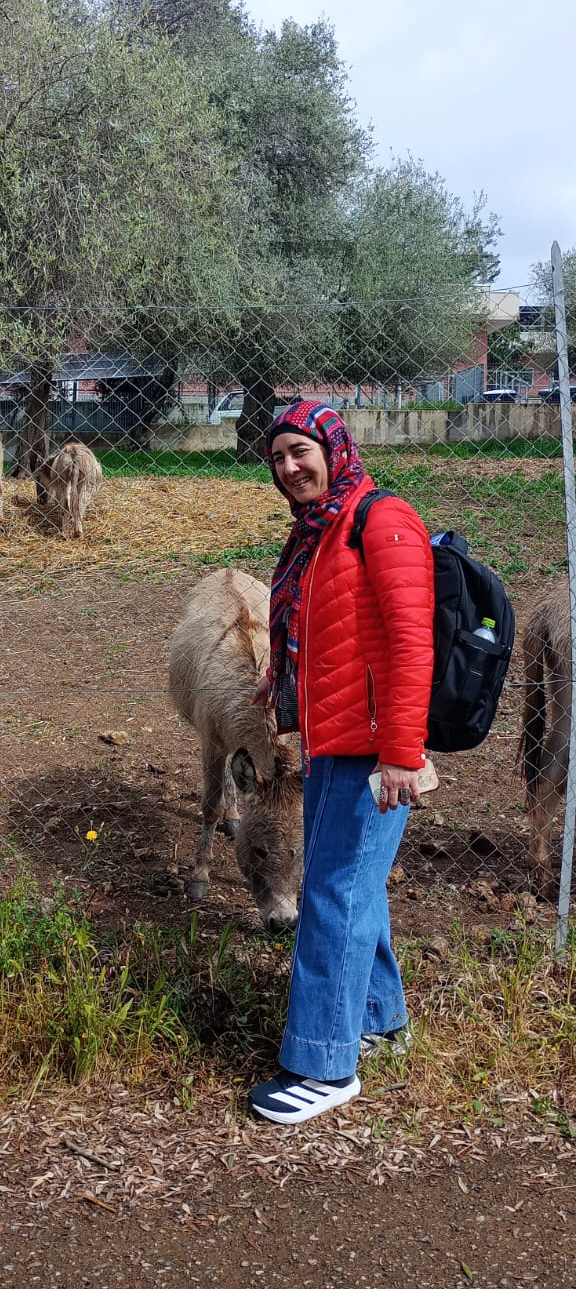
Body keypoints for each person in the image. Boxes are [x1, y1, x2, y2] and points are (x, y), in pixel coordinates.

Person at [248, 401, 434, 1125]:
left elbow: (411, 644)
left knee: (331, 893)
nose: (290, 467)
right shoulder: (319, 532)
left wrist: (402, 756)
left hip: (374, 748)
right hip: (335, 739)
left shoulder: (381, 519)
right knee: (356, 885)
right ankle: (380, 1020)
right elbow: (329, 631)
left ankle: (325, 1066)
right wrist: (284, 679)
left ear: (333, 446)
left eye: (300, 450)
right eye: (278, 459)